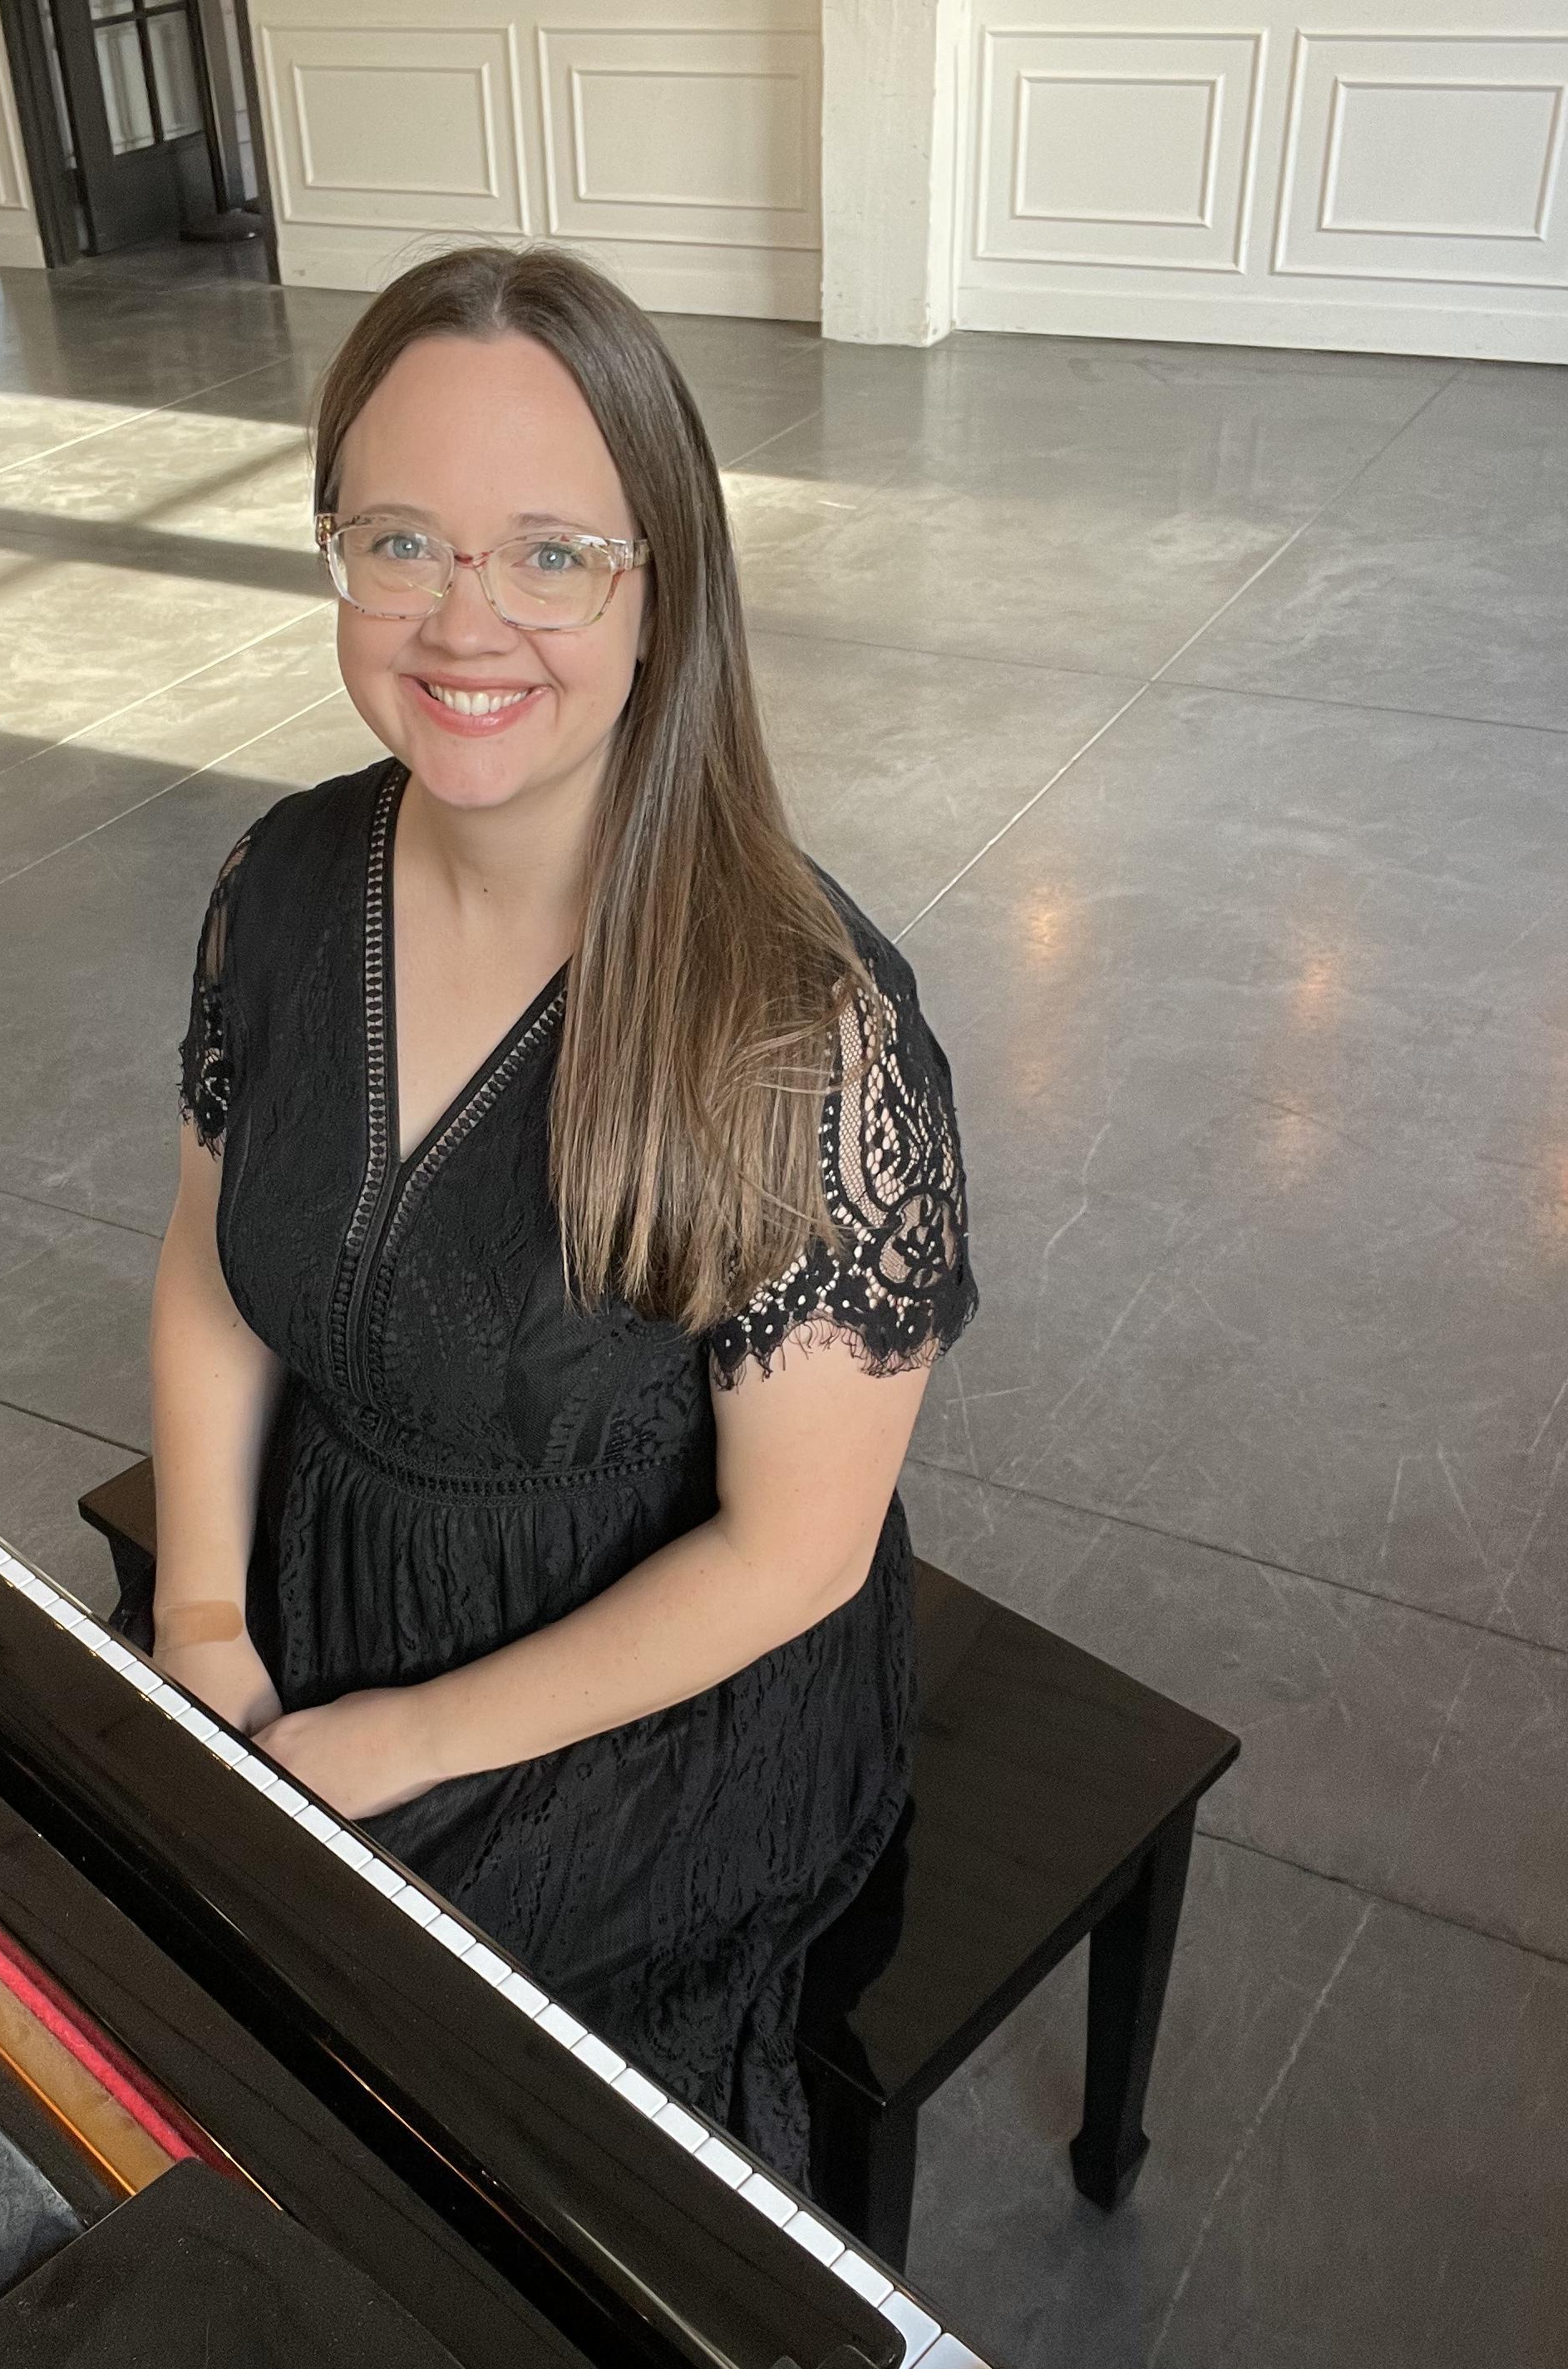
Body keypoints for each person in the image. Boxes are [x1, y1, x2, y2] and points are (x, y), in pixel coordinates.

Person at [148, 245, 975, 2181]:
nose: (464, 619)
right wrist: (198, 1611)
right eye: (399, 541)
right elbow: (208, 1273)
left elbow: (791, 1552)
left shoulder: (804, 1029)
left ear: (660, 585)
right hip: (320, 1564)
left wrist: (416, 1735)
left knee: (355, 2101)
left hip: (660, 1687)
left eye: (551, 555)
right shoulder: (281, 881)